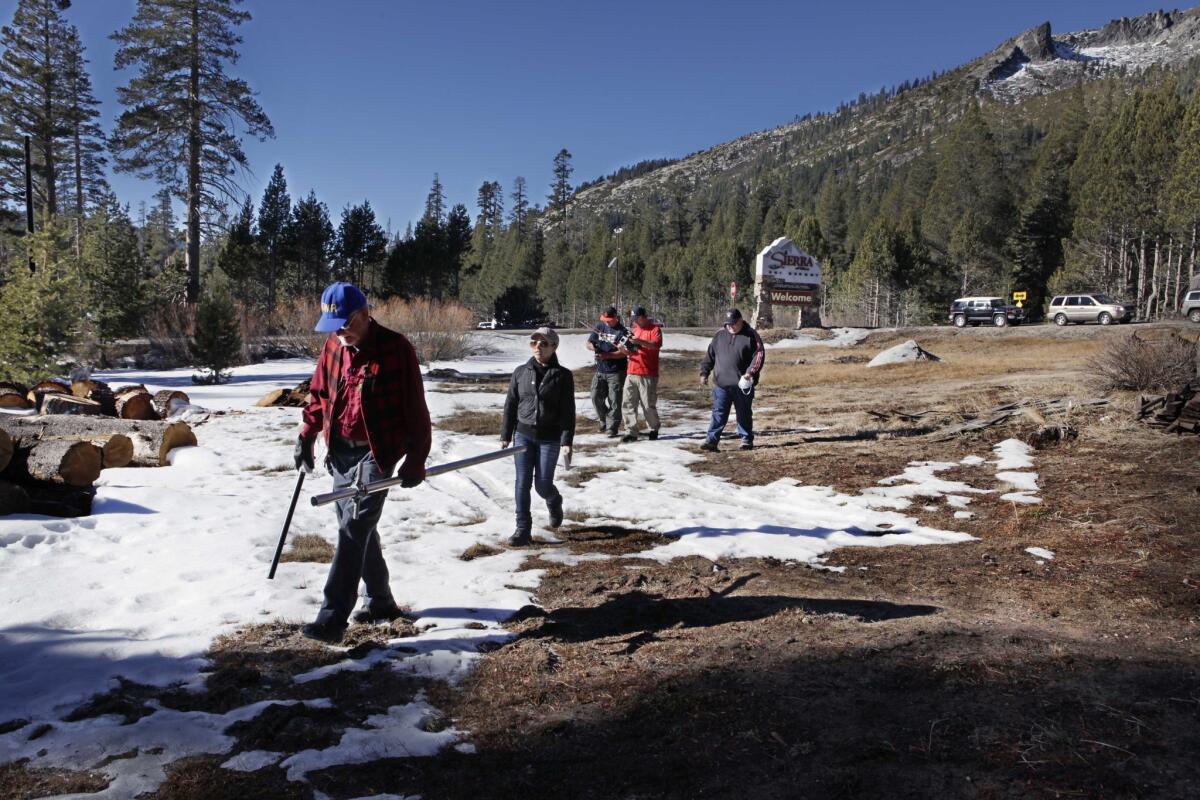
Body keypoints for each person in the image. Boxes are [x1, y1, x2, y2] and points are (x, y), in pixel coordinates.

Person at [294, 282, 432, 644]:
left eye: (345, 323)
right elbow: (319, 394)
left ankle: (332, 617)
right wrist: (307, 435)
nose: (340, 332)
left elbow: (416, 409)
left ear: (364, 314)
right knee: (354, 527)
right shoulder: (333, 348)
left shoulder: (396, 349)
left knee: (354, 527)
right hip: (339, 451)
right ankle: (381, 602)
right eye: (333, 326)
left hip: (378, 451)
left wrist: (416, 458)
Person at [501, 327, 575, 546]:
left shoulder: (563, 376)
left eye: (543, 343)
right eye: (533, 342)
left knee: (542, 485)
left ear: (554, 347)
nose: (537, 347)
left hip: (549, 438)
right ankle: (523, 528)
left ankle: (554, 499)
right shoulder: (520, 372)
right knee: (522, 482)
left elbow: (568, 412)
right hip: (523, 435)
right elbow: (511, 404)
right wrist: (506, 434)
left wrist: (566, 440)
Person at [698, 308, 765, 452]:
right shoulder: (719, 335)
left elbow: (758, 356)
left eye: (733, 323)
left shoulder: (751, 335)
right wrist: (704, 373)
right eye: (728, 323)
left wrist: (750, 373)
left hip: (742, 385)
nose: (730, 326)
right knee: (718, 413)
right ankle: (712, 441)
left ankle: (746, 439)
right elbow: (710, 356)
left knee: (744, 413)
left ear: (740, 321)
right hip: (721, 384)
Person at [620, 306, 663, 442]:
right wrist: (623, 350)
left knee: (648, 404)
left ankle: (653, 428)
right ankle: (631, 431)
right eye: (633, 319)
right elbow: (633, 352)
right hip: (632, 371)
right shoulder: (634, 330)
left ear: (643, 317)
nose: (635, 321)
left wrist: (639, 342)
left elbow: (655, 345)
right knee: (628, 403)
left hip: (647, 373)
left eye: (637, 318)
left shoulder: (655, 329)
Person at [586, 306, 627, 437]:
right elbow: (588, 343)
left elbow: (624, 353)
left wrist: (608, 355)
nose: (607, 322)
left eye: (609, 319)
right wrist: (594, 347)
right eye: (605, 319)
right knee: (595, 396)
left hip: (616, 371)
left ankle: (612, 427)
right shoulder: (600, 327)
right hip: (600, 369)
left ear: (616, 317)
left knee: (614, 400)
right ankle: (603, 420)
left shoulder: (623, 332)